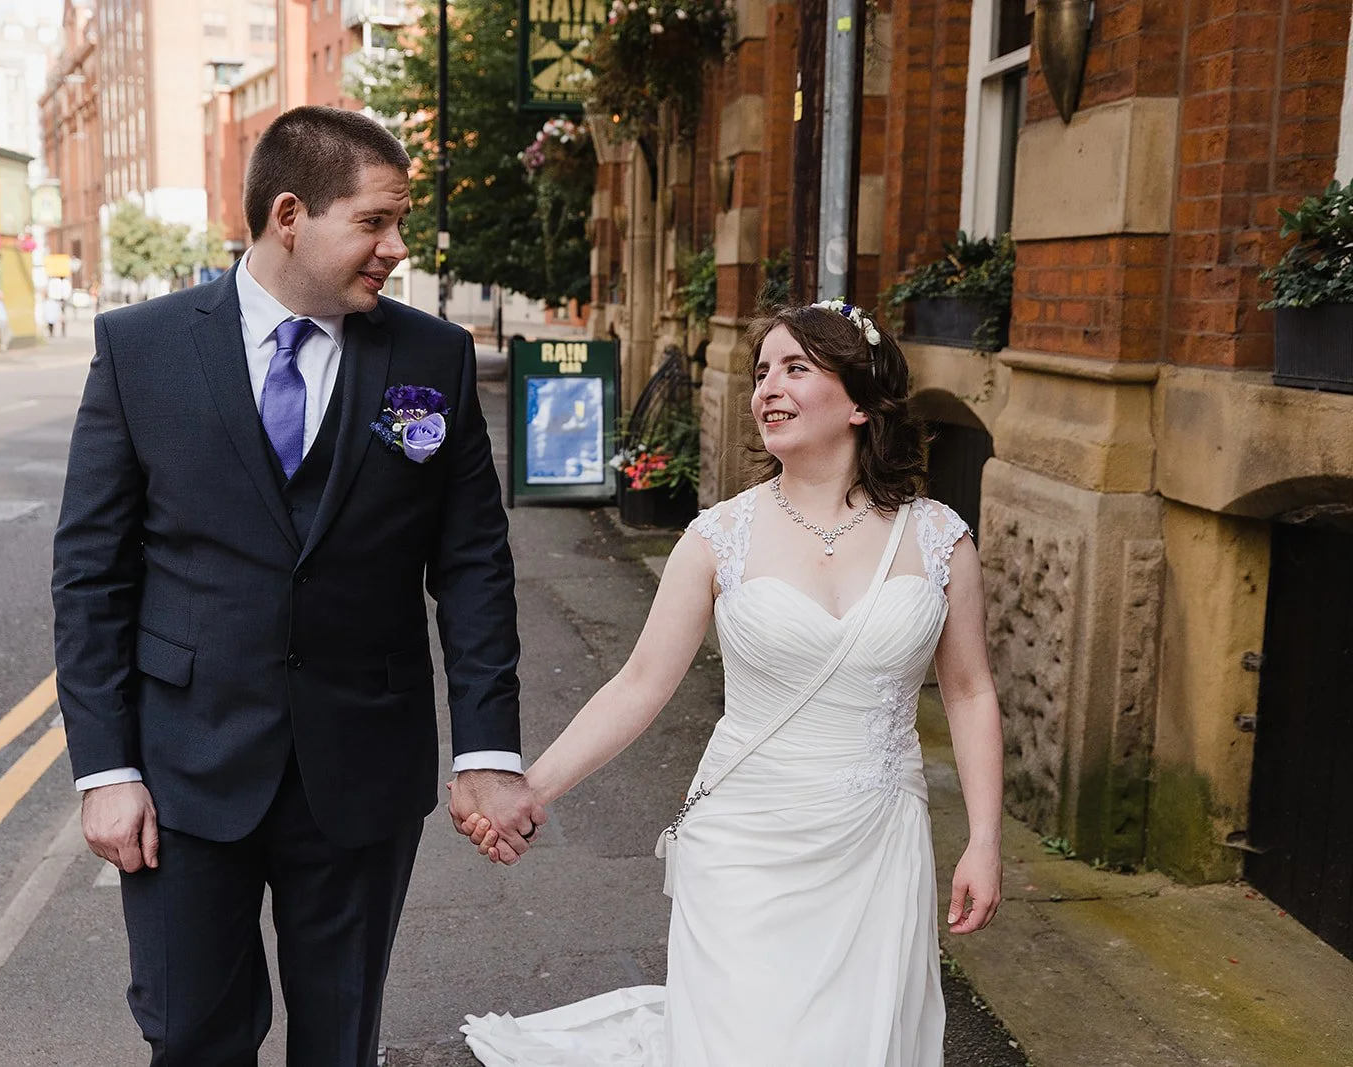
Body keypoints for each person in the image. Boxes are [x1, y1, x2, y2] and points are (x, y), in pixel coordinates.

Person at [51, 105, 545, 1067]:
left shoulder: (428, 357)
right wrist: (105, 770)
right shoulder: (141, 348)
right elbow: (91, 575)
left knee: (339, 1038)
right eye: (374, 221)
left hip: (364, 764)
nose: (395, 247)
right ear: (290, 213)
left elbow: (475, 564)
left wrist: (488, 745)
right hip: (186, 770)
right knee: (194, 1035)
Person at [458, 301, 1006, 1065]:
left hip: (876, 851)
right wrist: (532, 788)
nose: (766, 389)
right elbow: (639, 683)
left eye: (795, 368)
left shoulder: (940, 538)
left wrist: (983, 840)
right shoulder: (719, 537)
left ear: (857, 401)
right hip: (744, 848)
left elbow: (971, 691)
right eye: (760, 372)